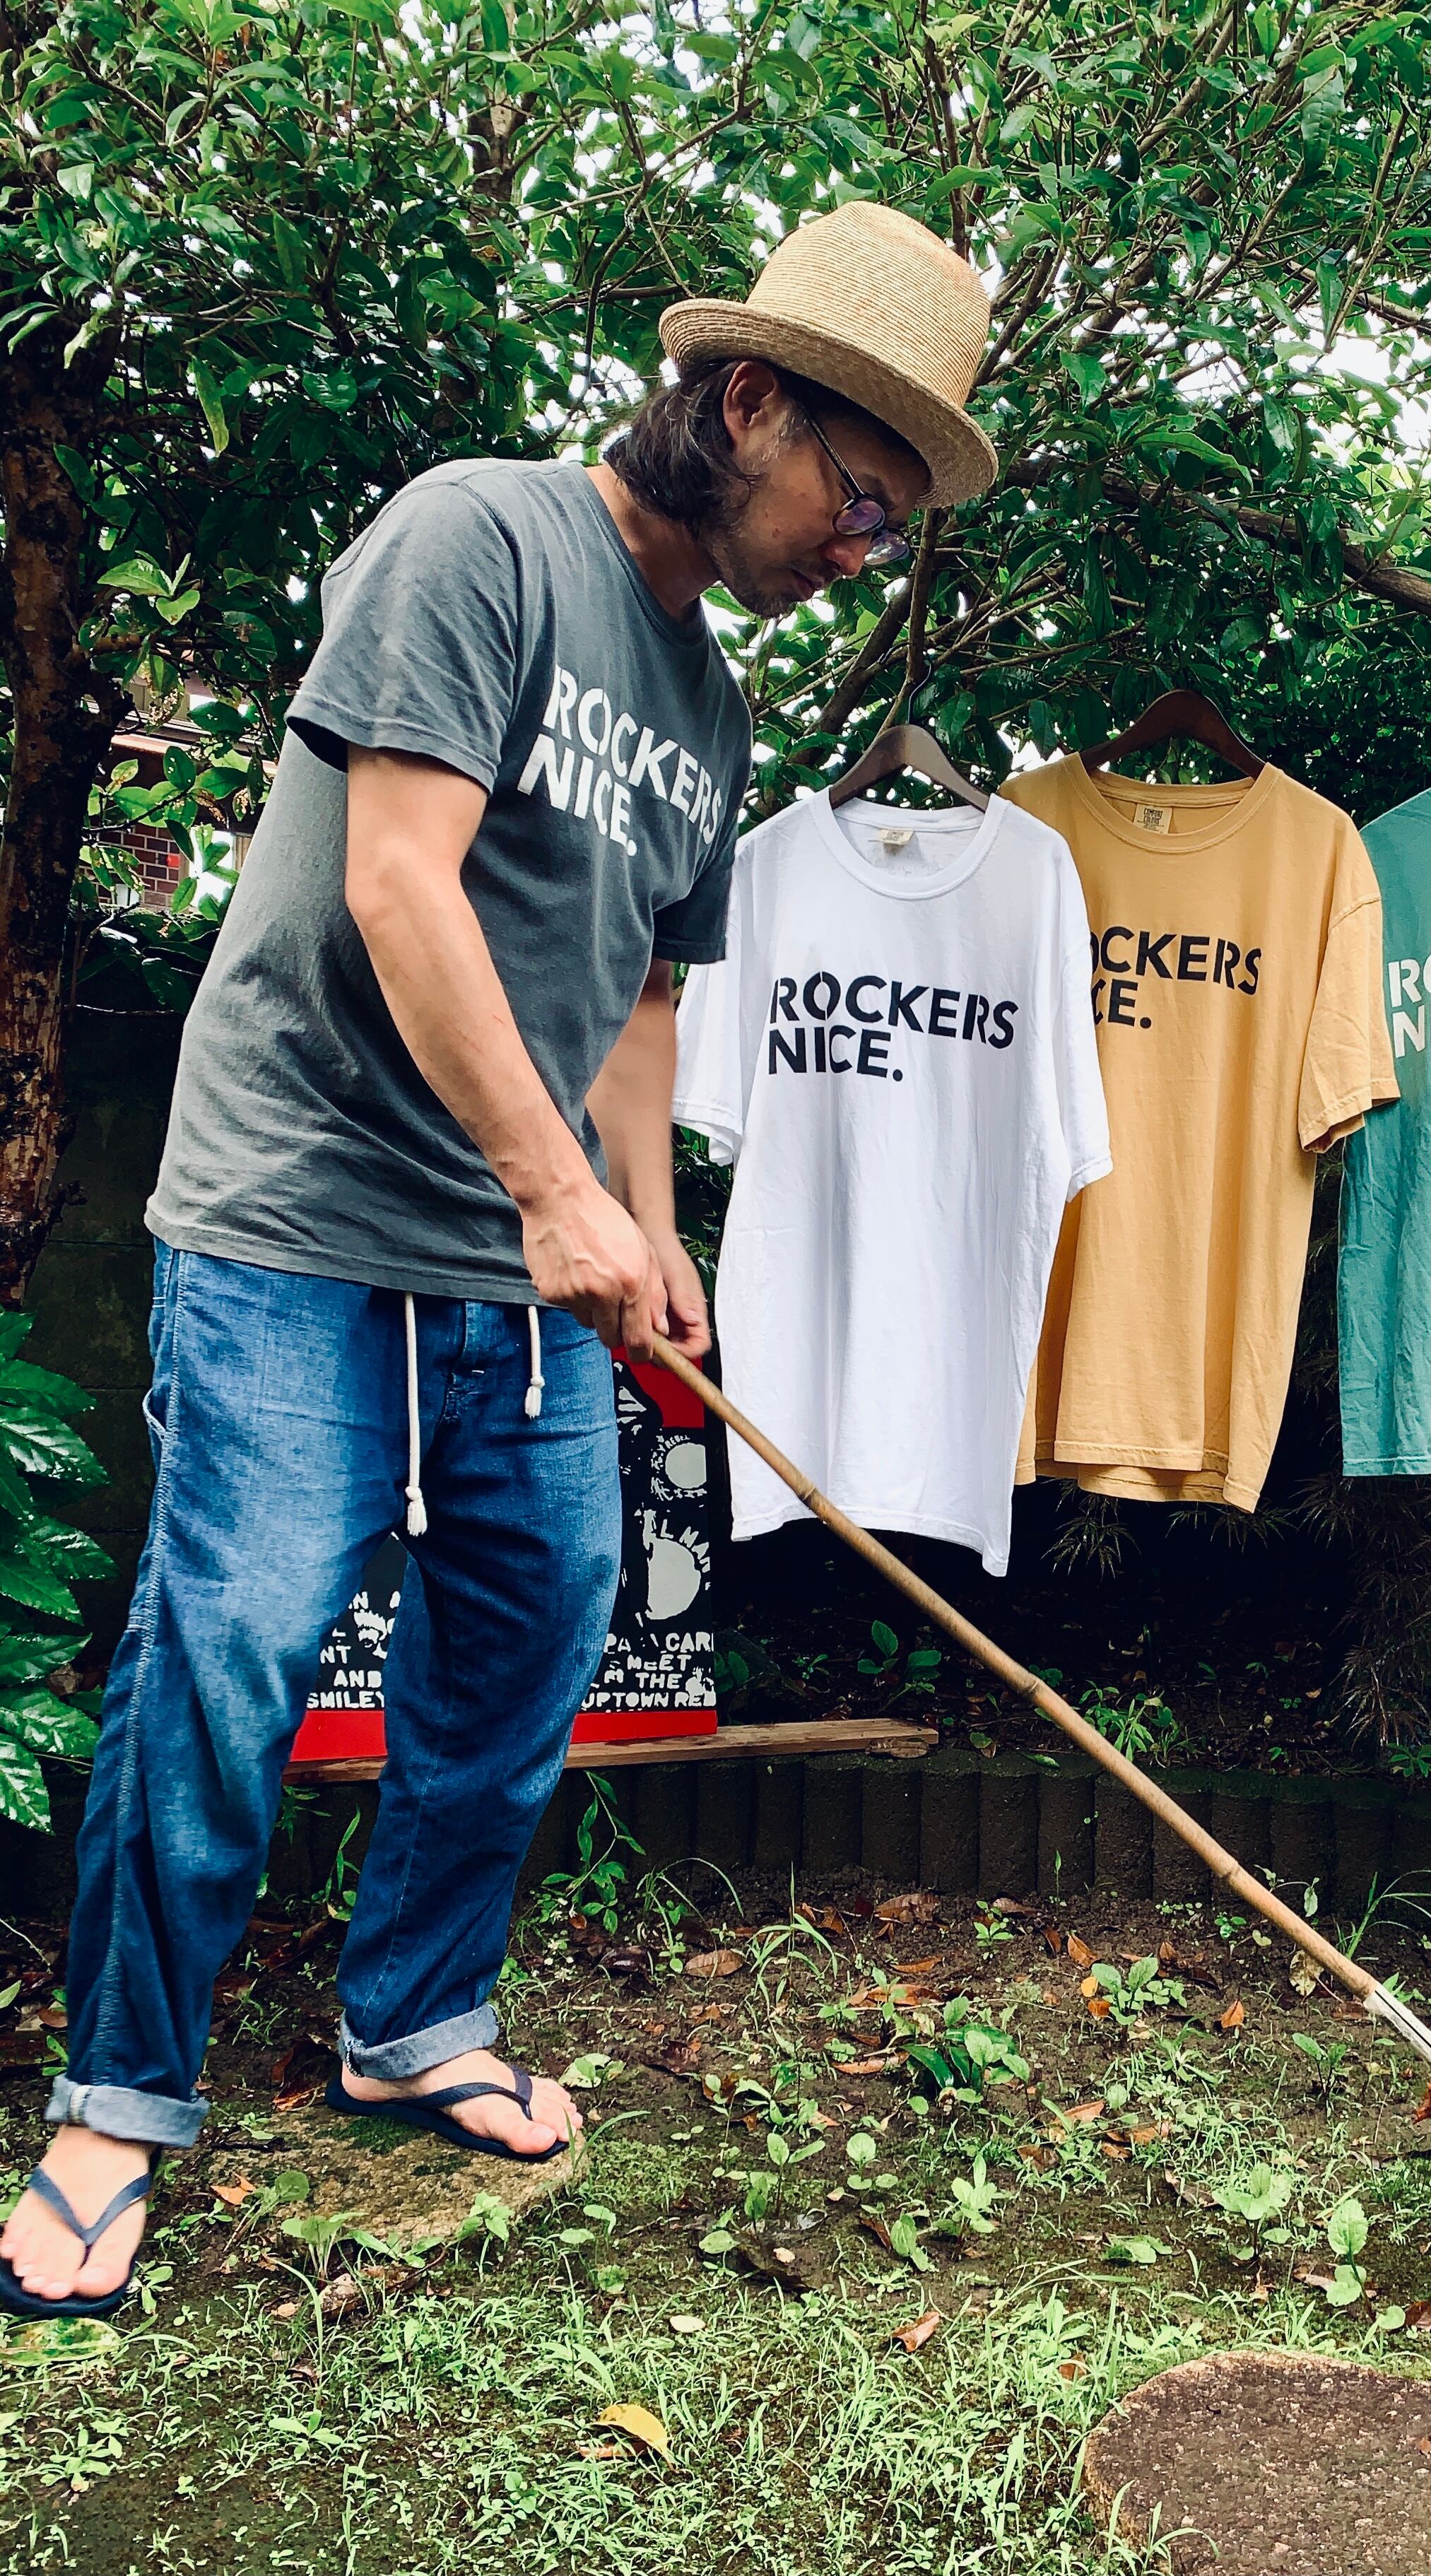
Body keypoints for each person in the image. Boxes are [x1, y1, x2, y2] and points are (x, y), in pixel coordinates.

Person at [1, 202, 999, 2316]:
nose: (861, 549)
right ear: (750, 402)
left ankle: (413, 2016)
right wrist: (560, 1200)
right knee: (237, 1642)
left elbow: (639, 997)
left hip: (519, 1261)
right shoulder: (481, 541)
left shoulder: (712, 709)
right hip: (299, 1211)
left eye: (894, 526)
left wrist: (649, 1218)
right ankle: (119, 2098)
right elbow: (399, 881)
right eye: (858, 495)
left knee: (532, 1632)